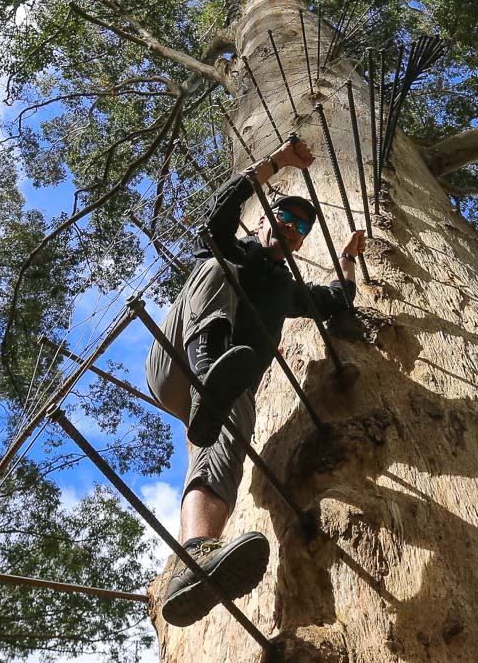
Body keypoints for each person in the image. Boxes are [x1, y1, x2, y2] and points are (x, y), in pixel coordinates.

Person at [144, 137, 365, 627]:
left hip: (224, 392)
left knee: (231, 431)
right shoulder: (232, 246)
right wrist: (275, 164)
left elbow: (331, 301)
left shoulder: (285, 288)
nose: (295, 228)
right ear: (264, 219)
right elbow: (217, 214)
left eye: (304, 227)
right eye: (286, 217)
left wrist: (347, 262)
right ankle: (211, 381)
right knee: (218, 267)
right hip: (179, 362)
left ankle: (194, 558)